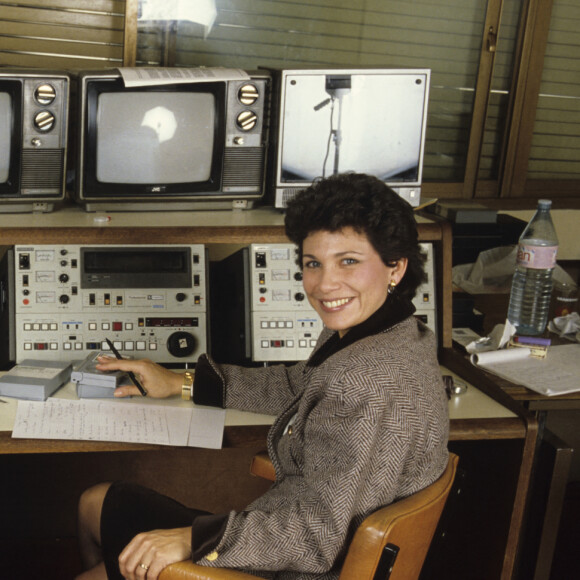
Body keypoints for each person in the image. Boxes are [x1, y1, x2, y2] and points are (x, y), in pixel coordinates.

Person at [75, 172, 449, 580]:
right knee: (96, 502)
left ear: (395, 266)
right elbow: (301, 385)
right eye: (313, 263)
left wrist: (195, 539)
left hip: (293, 563)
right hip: (278, 531)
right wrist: (181, 382)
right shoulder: (389, 333)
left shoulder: (366, 383)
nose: (325, 284)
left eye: (349, 261)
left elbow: (317, 536)